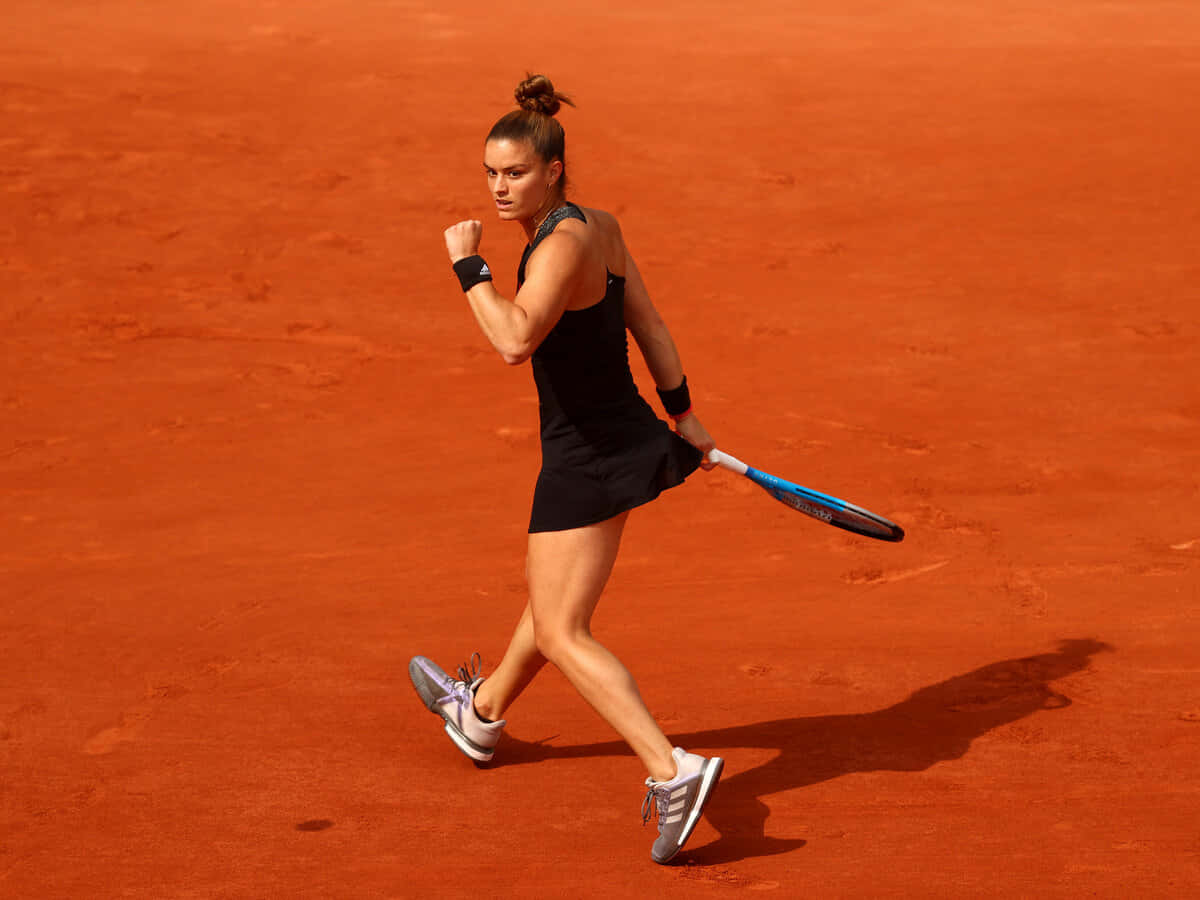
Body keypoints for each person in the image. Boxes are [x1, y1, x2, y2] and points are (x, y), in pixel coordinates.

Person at [409, 74, 723, 865]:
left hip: (586, 455)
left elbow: (515, 339)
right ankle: (480, 714)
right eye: (489, 173)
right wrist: (682, 413)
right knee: (554, 599)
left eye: (513, 173)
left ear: (552, 169)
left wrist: (468, 268)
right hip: (615, 439)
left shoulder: (560, 245)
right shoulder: (602, 226)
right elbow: (647, 322)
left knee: (561, 625)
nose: (498, 187)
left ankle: (672, 767)